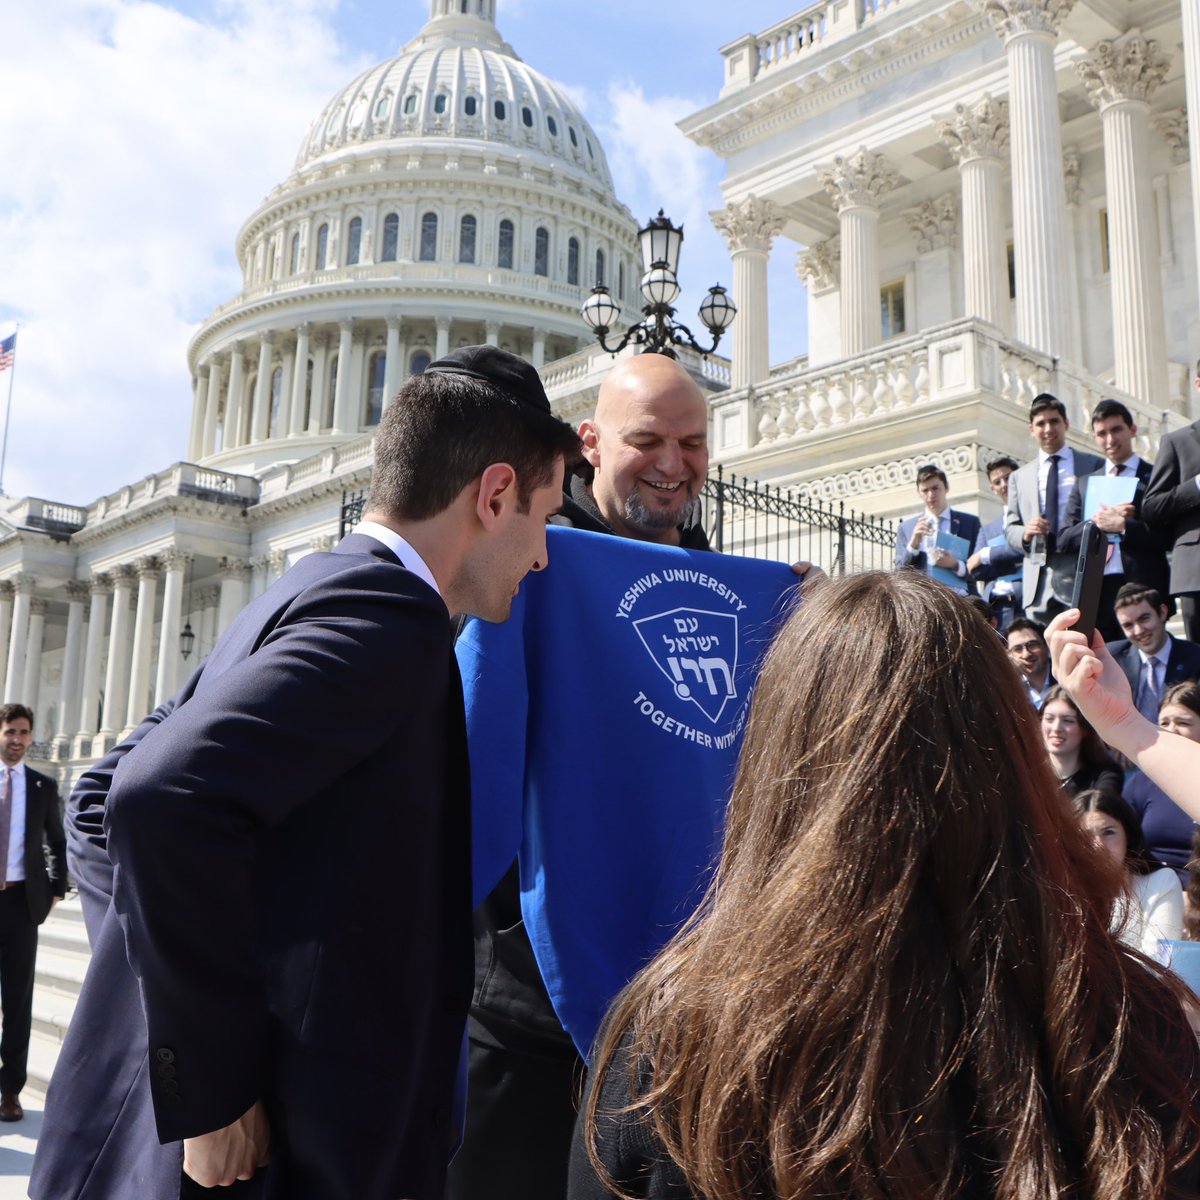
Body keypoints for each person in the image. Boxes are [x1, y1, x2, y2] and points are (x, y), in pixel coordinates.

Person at [31, 345, 581, 1200]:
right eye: (544, 518)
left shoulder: (301, 589)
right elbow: (156, 798)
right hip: (295, 1161)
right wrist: (213, 1085)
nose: (542, 556)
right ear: (495, 493)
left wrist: (157, 988)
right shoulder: (391, 617)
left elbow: (102, 794)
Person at [570, 572, 1200, 1200]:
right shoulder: (1135, 1027)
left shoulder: (671, 1037)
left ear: (777, 763)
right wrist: (1136, 734)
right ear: (1012, 759)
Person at [450, 351, 821, 1200]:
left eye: (692, 443)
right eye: (647, 439)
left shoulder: (735, 589)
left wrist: (811, 629)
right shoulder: (523, 568)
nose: (672, 463)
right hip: (525, 1012)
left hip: (678, 1019)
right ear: (588, 444)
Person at [0, 704, 67, 1124]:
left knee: (18, 1000)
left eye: (25, 732)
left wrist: (57, 890)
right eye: (11, 731)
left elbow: (58, 842)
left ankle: (10, 1092)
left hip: (21, 904)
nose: (19, 740)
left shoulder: (42, 787)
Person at [1059, 399, 1172, 643]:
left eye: (1116, 429)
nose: (1110, 439)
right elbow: (1064, 538)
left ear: (1132, 430)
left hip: (1143, 586)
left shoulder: (1156, 476)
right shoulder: (1084, 483)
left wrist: (1124, 526)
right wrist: (1097, 523)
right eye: (1102, 433)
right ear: (1094, 437)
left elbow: (1168, 536)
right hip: (1097, 590)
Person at [1004, 394, 1103, 622]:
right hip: (1039, 574)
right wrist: (1026, 533)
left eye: (1054, 421)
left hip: (1080, 566)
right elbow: (1010, 529)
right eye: (1041, 423)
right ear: (1031, 429)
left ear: (1066, 424)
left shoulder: (1092, 465)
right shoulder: (1019, 477)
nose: (1048, 429)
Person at [1075, 788, 1184, 956]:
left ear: (1128, 836)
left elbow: (1159, 963)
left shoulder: (1161, 883)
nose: (1098, 845)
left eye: (1108, 832)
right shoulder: (1063, 888)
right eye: (1085, 836)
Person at [1142, 358, 1200, 641]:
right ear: (1198, 385)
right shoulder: (1177, 442)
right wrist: (1197, 486)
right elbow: (1152, 506)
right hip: (1197, 572)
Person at [1124, 681, 1200, 884]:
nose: (1171, 731)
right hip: (1152, 892)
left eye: (1183, 723)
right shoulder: (1141, 782)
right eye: (1164, 723)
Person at [1105, 582, 1200, 722]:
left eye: (1144, 618)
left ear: (1162, 612)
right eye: (1128, 625)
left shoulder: (1195, 657)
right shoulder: (1110, 659)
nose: (1138, 631)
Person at [894, 464, 980, 593]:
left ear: (946, 487)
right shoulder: (906, 528)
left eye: (935, 488)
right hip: (925, 601)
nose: (931, 495)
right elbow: (899, 574)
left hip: (962, 599)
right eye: (925, 490)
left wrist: (955, 565)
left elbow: (981, 569)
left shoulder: (969, 523)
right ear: (918, 492)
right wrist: (914, 544)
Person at [967, 455, 1023, 629]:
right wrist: (1013, 560)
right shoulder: (988, 530)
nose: (1004, 485)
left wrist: (987, 554)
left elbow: (1028, 548)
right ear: (992, 488)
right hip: (996, 605)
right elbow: (976, 571)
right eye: (997, 482)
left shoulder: (1031, 517)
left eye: (1007, 478)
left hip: (1025, 600)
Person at [1039, 685, 1123, 800]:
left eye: (1068, 721)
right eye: (1049, 719)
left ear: (1085, 728)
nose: (1056, 728)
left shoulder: (1105, 775)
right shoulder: (1026, 773)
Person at [1005, 617, 1054, 706]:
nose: (1026, 654)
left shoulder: (1063, 677)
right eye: (1017, 649)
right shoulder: (1008, 688)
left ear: (1046, 645)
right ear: (1009, 655)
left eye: (1032, 645)